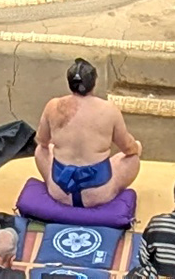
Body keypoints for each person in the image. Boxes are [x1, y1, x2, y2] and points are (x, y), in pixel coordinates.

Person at [36, 60, 142, 209]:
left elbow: (42, 141)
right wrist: (136, 147)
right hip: (99, 192)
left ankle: (59, 189)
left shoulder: (53, 106)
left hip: (60, 190)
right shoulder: (109, 109)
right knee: (133, 158)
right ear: (94, 83)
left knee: (40, 150)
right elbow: (128, 148)